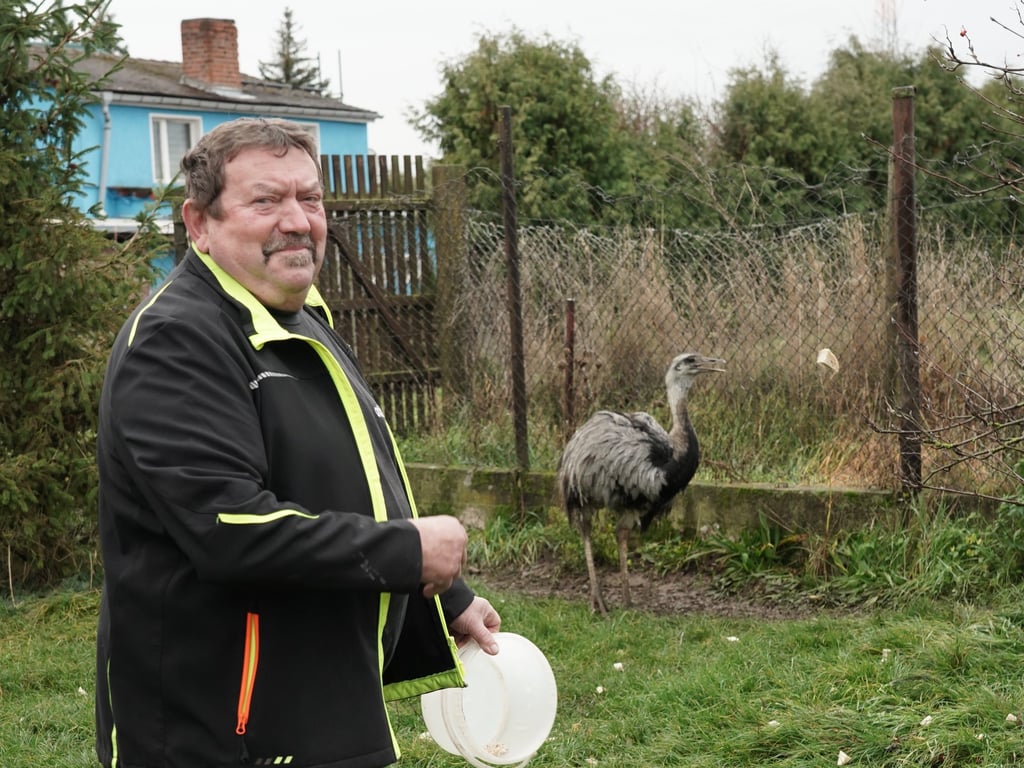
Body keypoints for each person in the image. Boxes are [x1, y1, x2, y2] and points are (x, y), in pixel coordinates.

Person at [94, 117, 501, 768]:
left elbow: (353, 480)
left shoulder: (301, 322)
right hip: (221, 734)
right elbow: (230, 528)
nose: (297, 221)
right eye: (265, 201)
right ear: (199, 224)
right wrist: (406, 552)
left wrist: (445, 596)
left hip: (320, 711)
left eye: (310, 199)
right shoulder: (177, 342)